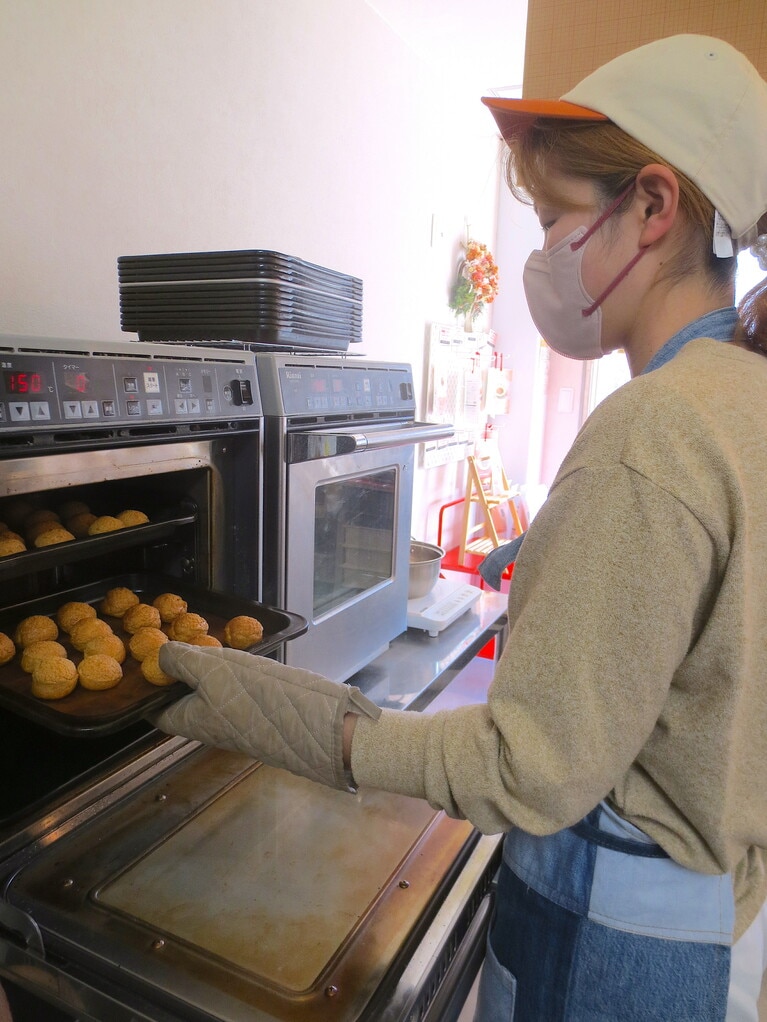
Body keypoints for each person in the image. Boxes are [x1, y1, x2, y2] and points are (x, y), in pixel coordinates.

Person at [149, 34, 767, 1021]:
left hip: (597, 942)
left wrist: (337, 734)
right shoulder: (743, 397)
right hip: (688, 935)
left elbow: (533, 769)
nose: (544, 253)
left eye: (561, 215)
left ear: (652, 206)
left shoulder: (656, 427)